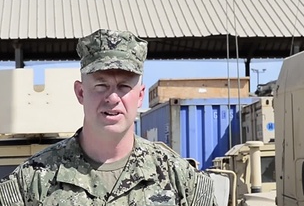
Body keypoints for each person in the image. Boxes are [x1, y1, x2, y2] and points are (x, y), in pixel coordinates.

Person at [0, 29, 218, 205]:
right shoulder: (31, 182)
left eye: (124, 86)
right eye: (100, 85)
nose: (113, 97)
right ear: (81, 93)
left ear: (140, 96)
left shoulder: (181, 181)